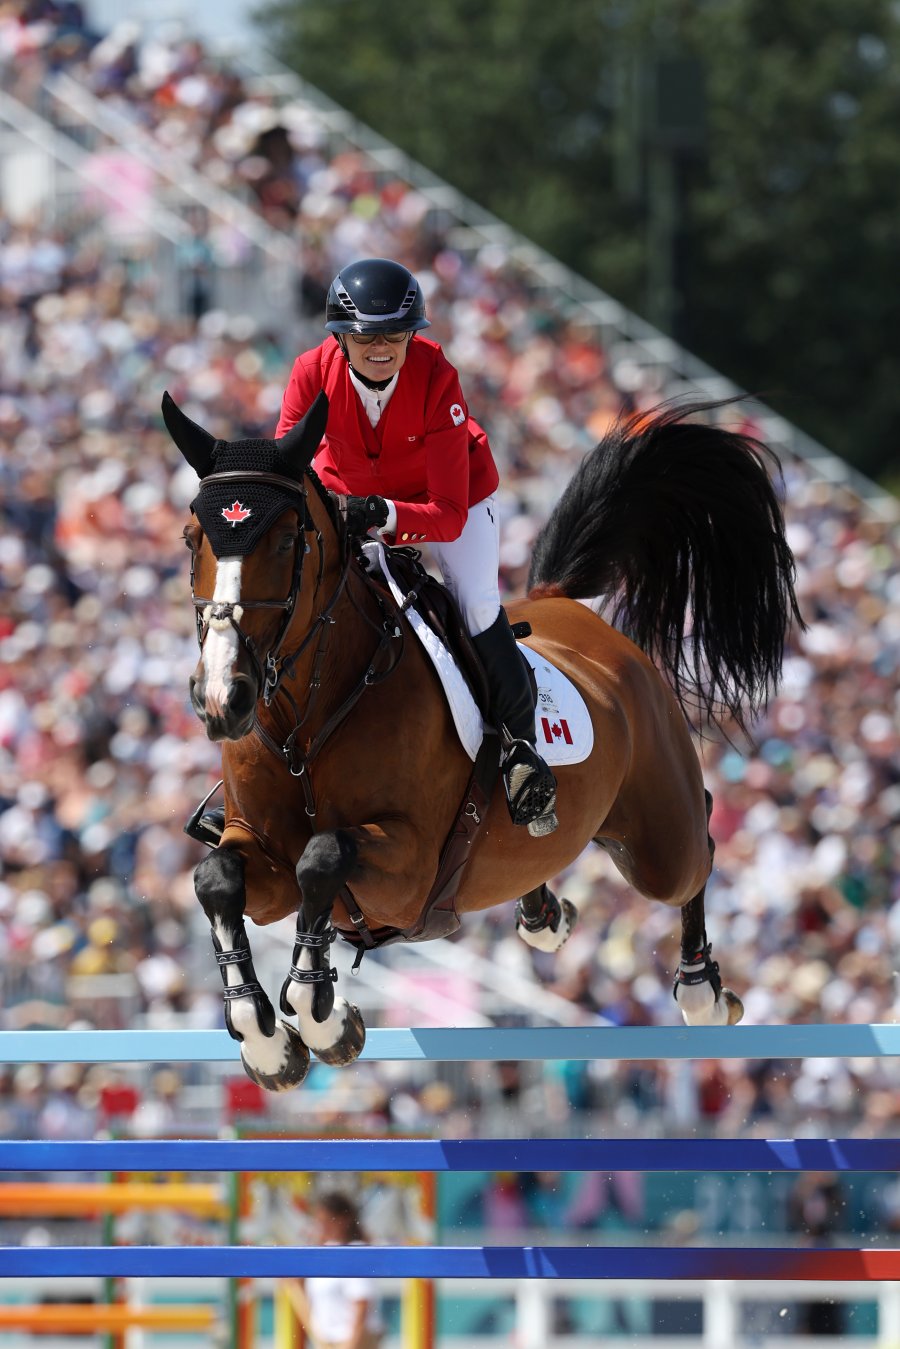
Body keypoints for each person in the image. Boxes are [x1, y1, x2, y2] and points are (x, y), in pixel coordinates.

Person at [275, 257, 558, 837]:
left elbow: (449, 516)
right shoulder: (310, 371)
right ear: (342, 338)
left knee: (477, 602)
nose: (383, 348)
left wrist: (382, 514)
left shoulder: (436, 375)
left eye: (397, 335)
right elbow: (287, 471)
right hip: (349, 496)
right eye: (368, 336)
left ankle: (522, 752)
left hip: (450, 499)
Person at [291, 1190, 384, 1349]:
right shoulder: (325, 1253)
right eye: (318, 1221)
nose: (321, 1227)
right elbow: (299, 1287)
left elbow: (361, 1303)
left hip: (354, 1340)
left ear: (343, 1220)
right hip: (328, 1341)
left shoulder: (354, 1251)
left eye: (327, 1221)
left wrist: (350, 1345)